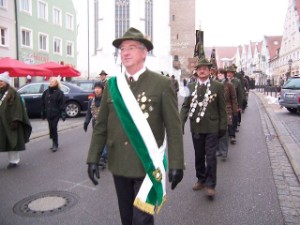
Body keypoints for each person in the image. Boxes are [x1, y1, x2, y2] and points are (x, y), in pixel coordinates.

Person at [86, 27, 185, 225]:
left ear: (144, 53)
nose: (125, 52)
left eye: (131, 47)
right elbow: (101, 127)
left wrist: (176, 163)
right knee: (126, 218)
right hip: (119, 163)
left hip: (145, 164)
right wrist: (93, 157)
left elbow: (174, 128)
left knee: (141, 220)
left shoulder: (162, 84)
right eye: (122, 49)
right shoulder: (113, 85)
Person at [180, 57, 227, 198]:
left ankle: (211, 184)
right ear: (196, 71)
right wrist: (180, 123)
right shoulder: (190, 87)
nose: (202, 71)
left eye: (205, 68)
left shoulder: (217, 86)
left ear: (209, 71)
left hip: (212, 127)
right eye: (199, 69)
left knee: (211, 156)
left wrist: (223, 127)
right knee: (199, 155)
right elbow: (185, 106)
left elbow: (222, 108)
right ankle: (201, 179)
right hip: (196, 127)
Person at [0, 71, 32, 169]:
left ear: (6, 82)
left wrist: (16, 120)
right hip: (1, 122)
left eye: (1, 81)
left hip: (10, 122)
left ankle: (13, 161)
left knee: (12, 141)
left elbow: (18, 107)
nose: (0, 82)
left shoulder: (13, 93)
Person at [83, 82, 107, 169]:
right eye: (95, 88)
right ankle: (101, 157)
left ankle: (103, 158)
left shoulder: (106, 100)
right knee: (97, 141)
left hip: (106, 124)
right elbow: (89, 113)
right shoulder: (91, 101)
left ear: (102, 89)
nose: (97, 90)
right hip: (95, 125)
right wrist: (86, 122)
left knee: (105, 142)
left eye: (99, 88)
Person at [216, 69, 238, 159]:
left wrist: (234, 111)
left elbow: (233, 98)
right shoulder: (214, 84)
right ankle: (218, 150)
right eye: (218, 73)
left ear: (224, 75)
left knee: (224, 131)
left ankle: (224, 151)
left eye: (221, 73)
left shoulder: (229, 85)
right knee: (216, 131)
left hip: (227, 109)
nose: (220, 75)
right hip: (216, 110)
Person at [41, 77, 66, 152]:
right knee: (51, 128)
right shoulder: (46, 92)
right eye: (50, 81)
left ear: (56, 83)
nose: (51, 83)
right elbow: (43, 102)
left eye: (53, 82)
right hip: (48, 113)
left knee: (54, 127)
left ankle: (55, 144)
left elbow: (62, 103)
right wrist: (43, 112)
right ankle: (53, 141)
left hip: (56, 113)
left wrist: (63, 113)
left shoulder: (59, 92)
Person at [226, 65, 243, 140]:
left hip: (234, 103)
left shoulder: (237, 81)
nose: (229, 74)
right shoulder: (224, 81)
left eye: (230, 73)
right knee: (228, 120)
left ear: (233, 73)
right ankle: (229, 134)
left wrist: (239, 106)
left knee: (233, 118)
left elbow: (240, 94)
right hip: (226, 103)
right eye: (228, 73)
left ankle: (232, 135)